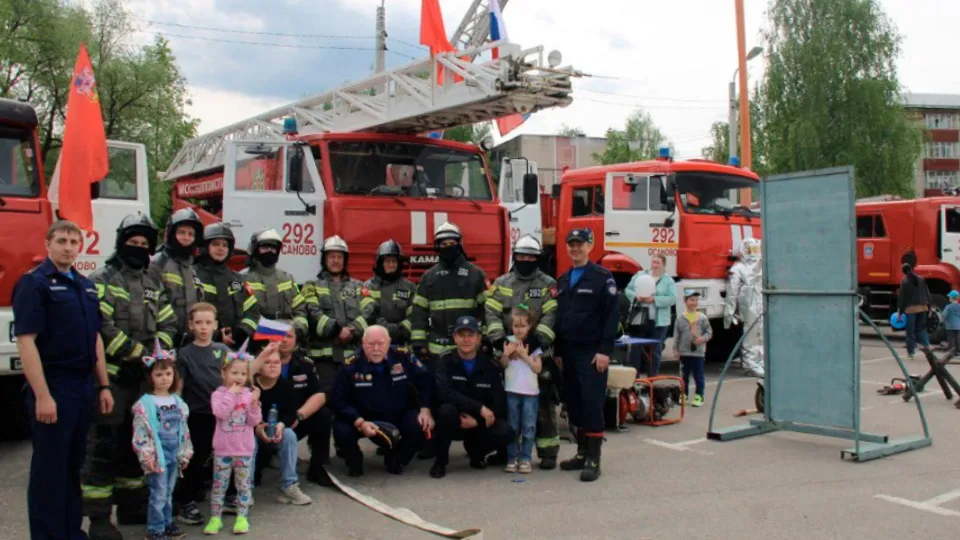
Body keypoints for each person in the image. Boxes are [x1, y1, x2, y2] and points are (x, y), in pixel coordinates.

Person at [13, 220, 114, 540]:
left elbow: (95, 337)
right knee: (49, 471)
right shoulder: (34, 284)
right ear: (48, 244)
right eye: (62, 241)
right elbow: (26, 341)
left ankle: (71, 532)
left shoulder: (85, 285)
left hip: (84, 386)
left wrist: (104, 384)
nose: (69, 247)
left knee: (73, 467)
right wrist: (43, 396)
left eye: (74, 241)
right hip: (54, 385)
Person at [83, 213, 179, 539]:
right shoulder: (101, 279)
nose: (137, 248)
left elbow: (168, 324)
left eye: (143, 244)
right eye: (132, 242)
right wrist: (139, 354)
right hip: (111, 378)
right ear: (121, 242)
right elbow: (101, 325)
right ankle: (98, 517)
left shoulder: (154, 283)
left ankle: (131, 505)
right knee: (103, 446)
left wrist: (158, 354)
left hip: (143, 379)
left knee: (137, 444)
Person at [484, 234, 561, 469]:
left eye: (530, 256)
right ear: (515, 257)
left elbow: (552, 314)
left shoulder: (548, 284)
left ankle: (547, 452)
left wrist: (538, 339)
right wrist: (499, 342)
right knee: (508, 408)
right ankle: (506, 452)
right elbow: (491, 312)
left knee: (544, 406)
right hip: (509, 354)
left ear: (537, 258)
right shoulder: (502, 283)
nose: (525, 259)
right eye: (521, 256)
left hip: (538, 353)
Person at [553, 228, 618, 483]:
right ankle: (581, 452)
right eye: (571, 244)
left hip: (591, 353)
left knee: (591, 404)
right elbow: (560, 318)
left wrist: (604, 351)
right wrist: (558, 352)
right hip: (568, 352)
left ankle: (594, 459)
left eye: (580, 244)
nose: (575, 248)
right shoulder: (563, 280)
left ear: (590, 245)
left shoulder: (602, 278)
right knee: (574, 403)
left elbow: (611, 317)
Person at [330, 325, 434, 477]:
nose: (376, 348)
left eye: (381, 343)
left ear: (389, 342)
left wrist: (426, 409)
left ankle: (396, 458)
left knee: (417, 425)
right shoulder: (350, 365)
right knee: (341, 429)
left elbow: (426, 381)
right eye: (371, 344)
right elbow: (338, 400)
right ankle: (354, 460)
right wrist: (359, 422)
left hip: (397, 413)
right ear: (363, 343)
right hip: (362, 417)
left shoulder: (403, 357)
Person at [430, 316, 514, 479]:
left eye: (471, 335)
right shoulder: (444, 361)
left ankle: (477, 453)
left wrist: (479, 421)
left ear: (478, 338)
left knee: (506, 431)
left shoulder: (490, 366)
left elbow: (498, 402)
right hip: (454, 420)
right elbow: (444, 393)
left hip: (478, 423)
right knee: (445, 411)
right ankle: (441, 462)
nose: (466, 340)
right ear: (455, 337)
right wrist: (479, 408)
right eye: (461, 335)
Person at [174, 302, 234, 526]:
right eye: (198, 322)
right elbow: (179, 385)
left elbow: (235, 377)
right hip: (197, 415)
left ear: (216, 325)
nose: (203, 327)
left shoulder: (223, 351)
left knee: (226, 457)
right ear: (190, 325)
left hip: (222, 415)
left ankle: (228, 497)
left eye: (208, 322)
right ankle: (186, 502)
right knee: (195, 459)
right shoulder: (185, 354)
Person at [253, 323, 334, 487]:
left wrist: (299, 415)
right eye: (279, 336)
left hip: (294, 419)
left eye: (289, 336)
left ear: (296, 340)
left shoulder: (305, 364)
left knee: (323, 415)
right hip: (259, 425)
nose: (284, 340)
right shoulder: (255, 364)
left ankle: (317, 468)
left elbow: (320, 395)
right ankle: (254, 471)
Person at [131, 346, 193, 540]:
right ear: (151, 377)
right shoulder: (146, 403)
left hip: (174, 451)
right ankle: (155, 529)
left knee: (168, 492)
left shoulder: (177, 402)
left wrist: (185, 453)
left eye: (168, 373)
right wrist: (147, 455)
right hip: (157, 454)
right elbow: (141, 434)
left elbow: (184, 431)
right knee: (158, 493)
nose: (164, 378)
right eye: (159, 374)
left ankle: (167, 523)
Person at [409, 222, 489, 365]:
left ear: (460, 244)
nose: (448, 247)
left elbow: (486, 310)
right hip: (437, 350)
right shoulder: (429, 277)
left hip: (468, 348)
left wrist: (485, 339)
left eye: (452, 243)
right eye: (444, 244)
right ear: (437, 247)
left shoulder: (476, 274)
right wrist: (419, 342)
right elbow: (418, 312)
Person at [203, 349, 264, 535]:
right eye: (234, 373)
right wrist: (231, 394)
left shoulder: (248, 394)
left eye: (243, 374)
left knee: (243, 485)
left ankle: (242, 517)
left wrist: (254, 405)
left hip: (244, 449)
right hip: (223, 450)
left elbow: (254, 421)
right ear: (224, 373)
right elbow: (220, 413)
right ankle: (215, 518)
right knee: (219, 486)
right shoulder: (218, 394)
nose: (239, 377)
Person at [251, 344, 314, 504]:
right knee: (248, 441)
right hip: (251, 431)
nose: (273, 366)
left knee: (289, 435)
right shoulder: (251, 387)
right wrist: (257, 427)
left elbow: (290, 413)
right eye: (267, 362)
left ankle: (289, 486)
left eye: (277, 363)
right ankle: (245, 489)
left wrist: (281, 425)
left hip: (275, 430)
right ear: (258, 367)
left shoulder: (285, 386)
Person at [302, 235, 366, 382]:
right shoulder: (312, 285)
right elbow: (312, 313)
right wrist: (337, 330)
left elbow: (369, 311)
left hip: (353, 357)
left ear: (345, 260)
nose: (336, 260)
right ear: (324, 259)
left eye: (339, 257)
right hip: (323, 359)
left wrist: (352, 330)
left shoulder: (359, 286)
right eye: (331, 256)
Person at [195, 223, 261, 348]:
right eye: (215, 244)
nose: (220, 248)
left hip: (234, 348)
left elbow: (253, 312)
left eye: (224, 245)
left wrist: (241, 332)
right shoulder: (193, 275)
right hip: (201, 346)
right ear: (205, 247)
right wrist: (216, 335)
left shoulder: (238, 279)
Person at [241, 228, 309, 348]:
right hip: (257, 344)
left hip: (289, 343)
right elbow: (247, 316)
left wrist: (298, 330)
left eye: (273, 248)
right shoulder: (242, 279)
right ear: (254, 250)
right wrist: (277, 332)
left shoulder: (287, 278)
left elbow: (300, 310)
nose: (270, 251)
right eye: (265, 248)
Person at [148, 208, 205, 347]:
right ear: (171, 234)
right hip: (164, 343)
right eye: (181, 232)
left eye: (191, 234)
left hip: (190, 343)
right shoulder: (157, 263)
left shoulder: (192, 268)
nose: (186, 237)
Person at [499, 307, 543, 474]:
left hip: (531, 393)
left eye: (522, 326)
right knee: (512, 427)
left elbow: (538, 368)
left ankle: (525, 458)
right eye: (516, 326)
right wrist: (506, 354)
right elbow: (502, 366)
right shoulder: (508, 342)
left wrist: (525, 355)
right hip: (511, 391)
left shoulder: (534, 343)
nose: (519, 329)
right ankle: (512, 458)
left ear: (529, 326)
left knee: (528, 426)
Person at [624, 253, 677, 376]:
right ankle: (634, 378)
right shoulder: (640, 275)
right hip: (639, 317)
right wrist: (636, 297)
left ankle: (652, 379)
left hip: (659, 321)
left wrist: (654, 300)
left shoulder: (668, 281)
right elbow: (628, 290)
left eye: (658, 262)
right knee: (636, 348)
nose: (655, 265)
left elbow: (672, 298)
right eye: (654, 262)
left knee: (655, 350)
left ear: (663, 265)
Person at [360, 239, 417, 348]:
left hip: (402, 343)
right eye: (387, 261)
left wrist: (402, 329)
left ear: (399, 264)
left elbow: (415, 315)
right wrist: (386, 329)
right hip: (375, 345)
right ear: (380, 263)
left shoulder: (410, 287)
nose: (391, 264)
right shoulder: (367, 286)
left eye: (394, 261)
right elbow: (368, 314)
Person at [723, 237, 765, 376]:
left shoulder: (761, 265)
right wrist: (729, 314)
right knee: (751, 333)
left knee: (762, 333)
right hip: (749, 303)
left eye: (756, 249)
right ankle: (750, 364)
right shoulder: (738, 268)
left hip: (760, 301)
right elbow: (732, 292)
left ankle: (761, 361)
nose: (754, 253)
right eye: (751, 249)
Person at [675, 291, 712, 407]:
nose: (694, 302)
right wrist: (675, 349)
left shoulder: (702, 318)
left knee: (698, 375)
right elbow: (677, 335)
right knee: (684, 375)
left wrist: (702, 339)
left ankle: (699, 396)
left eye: (696, 300)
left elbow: (709, 332)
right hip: (684, 352)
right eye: (691, 300)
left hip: (698, 352)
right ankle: (683, 394)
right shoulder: (680, 318)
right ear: (685, 301)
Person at [897, 262, 932, 360]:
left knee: (910, 332)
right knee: (921, 329)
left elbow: (903, 298)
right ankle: (927, 346)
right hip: (923, 307)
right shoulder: (921, 279)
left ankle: (911, 352)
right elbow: (927, 293)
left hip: (911, 309)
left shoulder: (905, 281)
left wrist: (900, 312)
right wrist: (929, 307)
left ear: (903, 272)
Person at [945, 291, 960, 358]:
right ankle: (958, 352)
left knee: (951, 339)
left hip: (950, 326)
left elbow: (944, 315)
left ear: (951, 298)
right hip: (958, 326)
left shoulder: (948, 307)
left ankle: (951, 352)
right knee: (957, 339)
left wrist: (945, 320)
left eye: (949, 297)